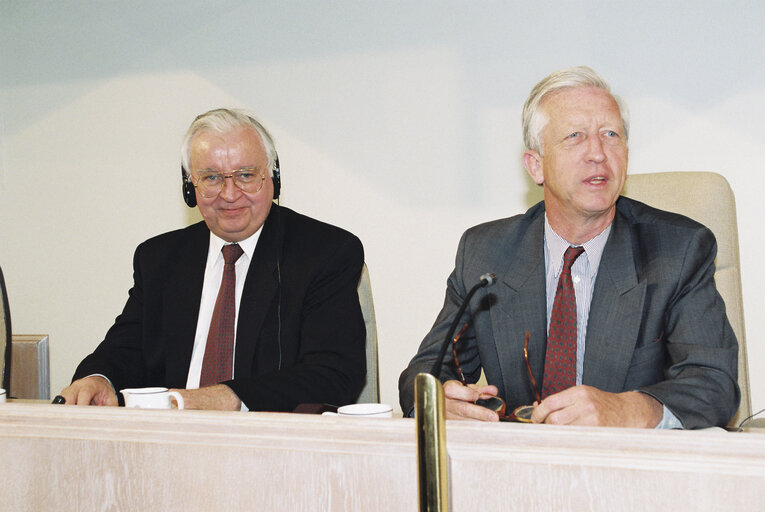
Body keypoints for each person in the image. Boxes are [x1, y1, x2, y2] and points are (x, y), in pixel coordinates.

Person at [399, 66, 739, 429]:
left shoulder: (678, 250)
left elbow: (713, 384)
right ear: (536, 166)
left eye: (611, 134)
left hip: (629, 471)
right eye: (575, 136)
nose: (598, 153)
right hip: (519, 470)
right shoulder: (486, 252)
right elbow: (424, 371)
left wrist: (626, 410)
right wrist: (437, 400)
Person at [60, 108, 366, 411]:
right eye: (211, 177)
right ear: (190, 187)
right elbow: (125, 348)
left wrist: (223, 398)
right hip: (168, 440)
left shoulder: (325, 253)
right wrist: (98, 378)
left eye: (246, 175)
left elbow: (334, 374)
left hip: (271, 444)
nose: (229, 194)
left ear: (273, 178)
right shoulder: (159, 259)